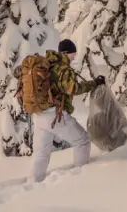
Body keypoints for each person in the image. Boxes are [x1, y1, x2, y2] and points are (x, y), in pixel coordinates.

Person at [28, 38, 105, 183]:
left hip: (39, 114)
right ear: (66, 53)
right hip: (54, 115)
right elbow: (73, 88)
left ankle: (33, 181)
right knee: (82, 141)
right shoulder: (62, 69)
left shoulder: (48, 64)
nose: (74, 57)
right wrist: (94, 84)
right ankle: (82, 177)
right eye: (73, 54)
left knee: (41, 152)